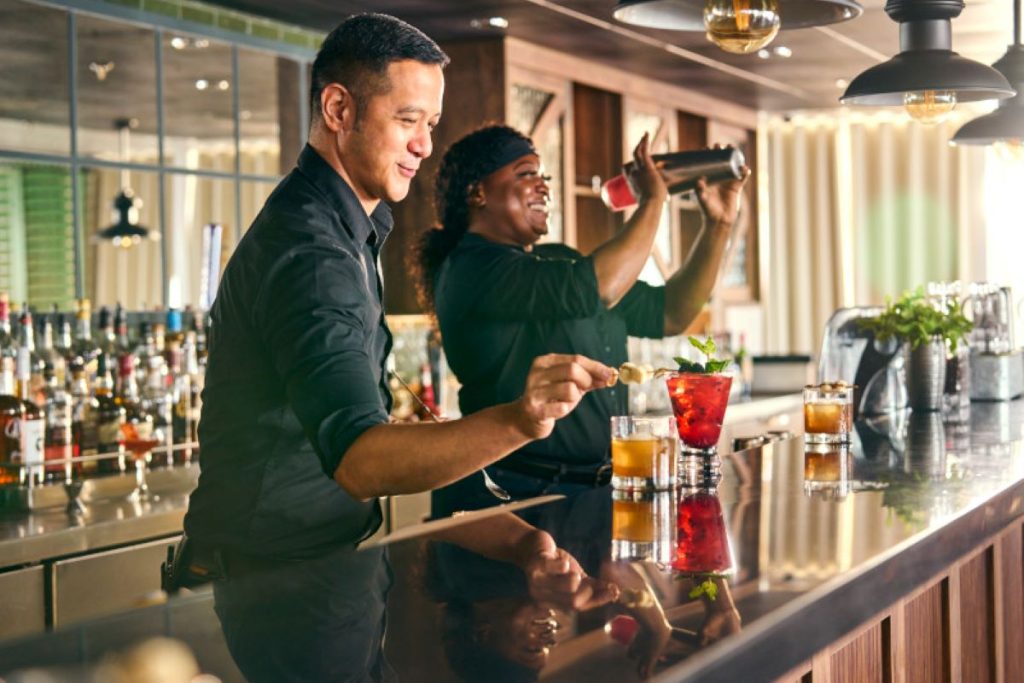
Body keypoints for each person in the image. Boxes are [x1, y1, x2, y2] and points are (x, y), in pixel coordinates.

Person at [182, 15, 612, 683]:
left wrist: (522, 539)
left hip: (321, 572)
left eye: (431, 124)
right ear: (338, 109)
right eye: (408, 119)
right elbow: (360, 460)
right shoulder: (313, 252)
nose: (423, 144)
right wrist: (521, 420)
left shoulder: (350, 229)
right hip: (283, 586)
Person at [414, 125, 750, 517]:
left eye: (544, 175)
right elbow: (597, 288)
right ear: (478, 193)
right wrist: (652, 200)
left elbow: (671, 312)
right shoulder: (470, 269)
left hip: (594, 492)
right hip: (516, 498)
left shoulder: (560, 262)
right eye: (527, 174)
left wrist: (718, 225)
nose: (543, 186)